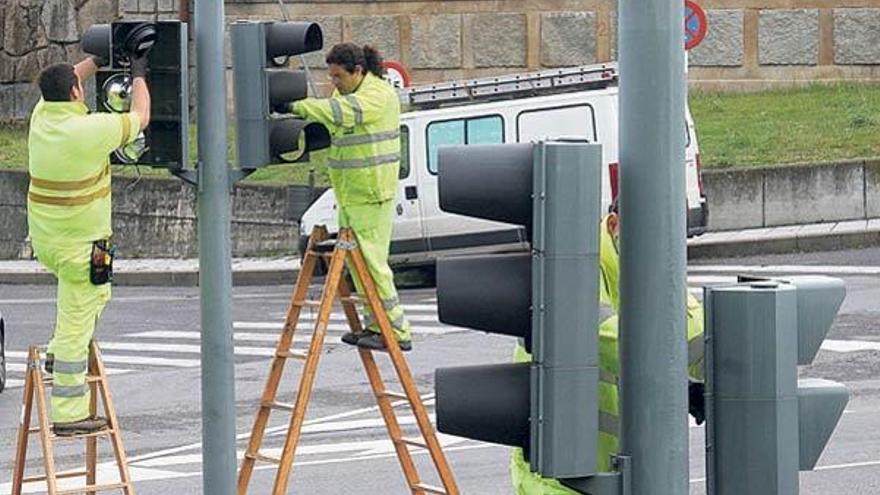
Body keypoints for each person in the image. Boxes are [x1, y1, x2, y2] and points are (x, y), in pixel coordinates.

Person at [509, 204, 705, 493]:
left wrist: (732, 375)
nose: (653, 251)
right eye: (645, 238)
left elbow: (694, 341)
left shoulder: (654, 273)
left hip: (606, 475)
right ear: (613, 225)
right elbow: (604, 338)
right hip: (556, 479)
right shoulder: (578, 262)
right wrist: (678, 383)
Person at [28, 51, 151, 436]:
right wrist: (140, 74)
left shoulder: (42, 118)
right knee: (77, 323)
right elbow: (141, 116)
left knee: (82, 302)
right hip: (82, 246)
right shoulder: (90, 129)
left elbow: (65, 79)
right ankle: (69, 413)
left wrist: (98, 57)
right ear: (77, 92)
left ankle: (52, 354)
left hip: (49, 242)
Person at [288, 43, 411, 351]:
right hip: (351, 194)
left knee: (372, 265)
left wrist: (296, 106)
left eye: (338, 76)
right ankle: (375, 325)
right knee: (359, 266)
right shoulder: (345, 94)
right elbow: (332, 117)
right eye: (331, 77)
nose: (334, 83)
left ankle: (397, 331)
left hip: (370, 193)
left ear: (358, 71)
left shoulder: (377, 96)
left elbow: (340, 113)